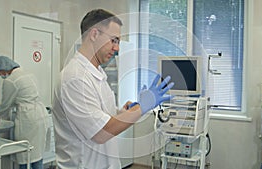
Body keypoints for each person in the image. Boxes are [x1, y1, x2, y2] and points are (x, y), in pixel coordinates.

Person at [52, 8, 174, 169]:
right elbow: (101, 133)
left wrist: (124, 112)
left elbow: (100, 115)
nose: (117, 48)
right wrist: (142, 108)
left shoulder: (96, 72)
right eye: (114, 40)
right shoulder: (75, 78)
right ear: (94, 34)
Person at [0, 56, 48, 169]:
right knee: (37, 153)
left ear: (3, 69)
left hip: (28, 118)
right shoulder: (26, 74)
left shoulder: (10, 81)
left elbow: (7, 104)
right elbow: (20, 96)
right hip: (40, 114)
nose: (0, 77)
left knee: (24, 152)